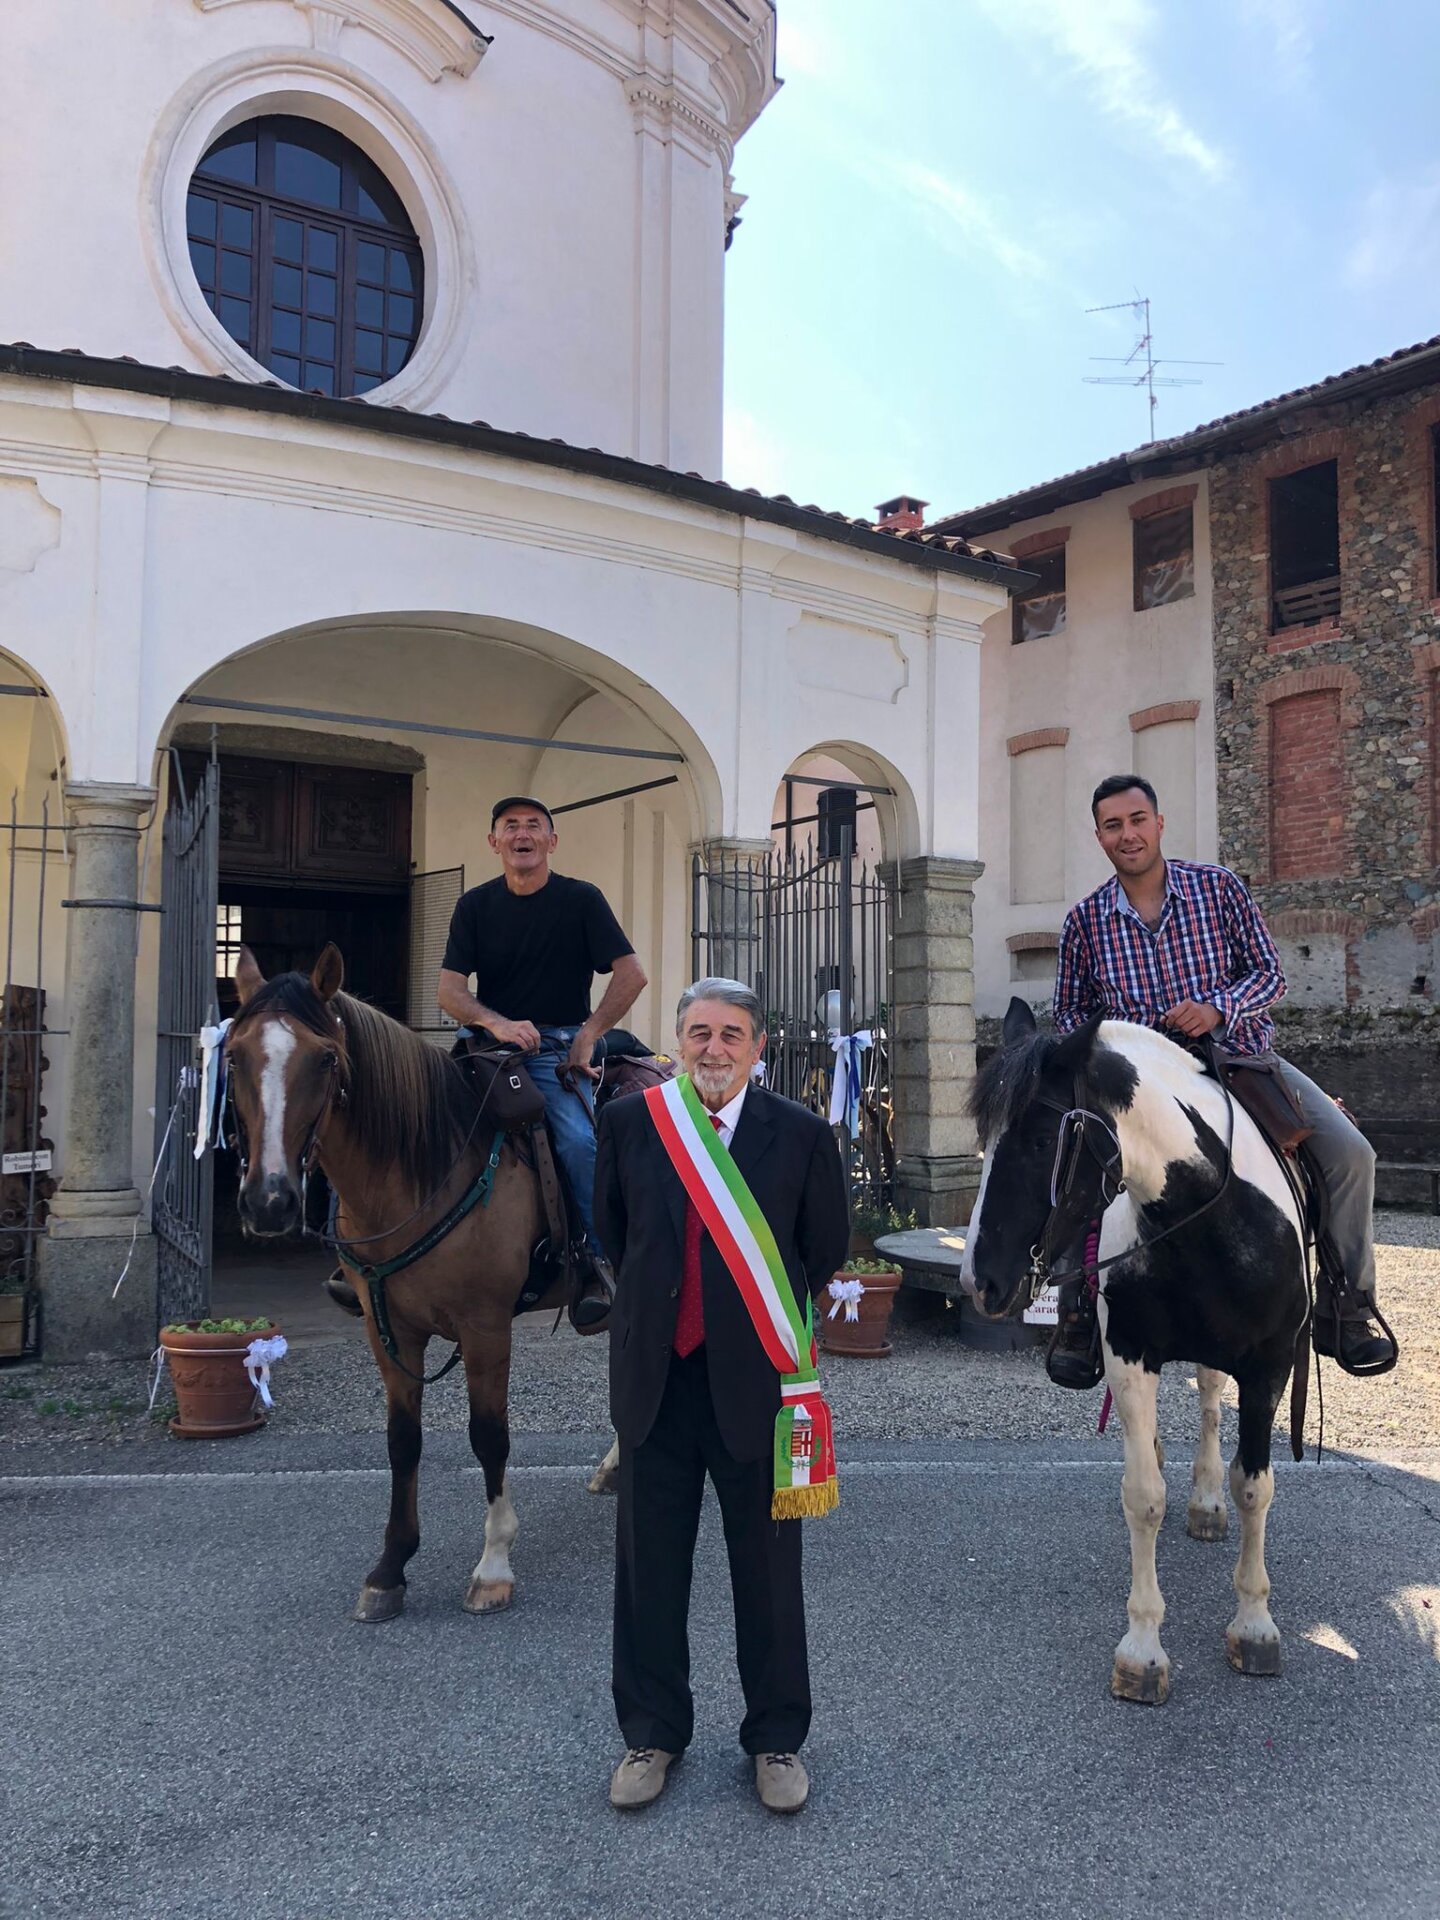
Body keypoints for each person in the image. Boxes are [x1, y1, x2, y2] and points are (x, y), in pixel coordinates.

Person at [1047, 773, 1395, 1385]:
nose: (1127, 835)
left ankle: (1347, 1305)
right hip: (1142, 1087)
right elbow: (1069, 1013)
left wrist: (1216, 1009)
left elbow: (1269, 974)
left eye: (1136, 820)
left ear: (1159, 823)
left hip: (1239, 1062)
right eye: (1112, 825)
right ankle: (1075, 1312)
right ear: (1098, 836)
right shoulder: (1085, 922)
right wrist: (1120, 1039)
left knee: (1351, 1155)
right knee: (1074, 1164)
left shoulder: (1218, 888)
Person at [594, 977, 848, 1815]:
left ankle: (776, 1739)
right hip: (655, 1385)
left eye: (731, 1034)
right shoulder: (632, 1124)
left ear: (758, 1047)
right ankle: (652, 1733)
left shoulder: (803, 1138)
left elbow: (822, 1251)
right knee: (649, 1570)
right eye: (698, 1032)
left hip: (759, 1392)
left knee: (770, 1575)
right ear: (676, 1041)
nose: (713, 1048)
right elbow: (612, 1231)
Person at [437, 796, 646, 1328]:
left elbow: (631, 974)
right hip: (484, 1045)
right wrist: (496, 1023)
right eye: (510, 825)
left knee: (577, 1140)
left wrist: (589, 1034)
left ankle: (596, 1262)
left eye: (534, 825)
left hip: (553, 1047)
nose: (522, 833)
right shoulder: (475, 906)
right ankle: (365, 1258)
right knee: (409, 1113)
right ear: (494, 842)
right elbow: (449, 992)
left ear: (551, 841)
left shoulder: (580, 900)